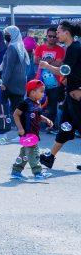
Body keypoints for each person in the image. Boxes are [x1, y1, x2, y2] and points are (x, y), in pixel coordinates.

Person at [39, 20, 81, 170]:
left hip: (77, 95)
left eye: (58, 32)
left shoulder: (74, 48)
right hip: (71, 95)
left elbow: (64, 71)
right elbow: (71, 72)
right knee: (65, 127)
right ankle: (50, 157)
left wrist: (47, 66)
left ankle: (50, 156)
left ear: (66, 32)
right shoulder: (72, 48)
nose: (56, 35)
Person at [11, 79, 54, 180]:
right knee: (33, 151)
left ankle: (16, 171)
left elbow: (38, 116)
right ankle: (38, 173)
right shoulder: (24, 103)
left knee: (25, 152)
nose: (43, 94)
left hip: (34, 132)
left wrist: (46, 119)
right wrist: (20, 128)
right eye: (41, 91)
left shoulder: (37, 103)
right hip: (27, 132)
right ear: (33, 92)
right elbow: (16, 114)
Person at [0, 26, 29, 131]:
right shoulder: (21, 47)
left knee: (3, 106)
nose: (6, 36)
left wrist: (4, 83)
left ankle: (4, 128)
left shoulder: (12, 47)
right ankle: (21, 130)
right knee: (18, 108)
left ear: (13, 35)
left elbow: (9, 67)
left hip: (10, 82)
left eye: (8, 34)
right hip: (20, 82)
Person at [34, 26, 65, 130]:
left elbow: (58, 63)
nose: (51, 38)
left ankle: (51, 126)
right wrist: (51, 61)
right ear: (46, 36)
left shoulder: (60, 49)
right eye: (49, 36)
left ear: (57, 37)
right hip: (40, 82)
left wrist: (45, 62)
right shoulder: (40, 48)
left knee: (52, 105)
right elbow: (36, 61)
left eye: (54, 36)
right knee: (37, 103)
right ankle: (36, 124)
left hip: (55, 83)